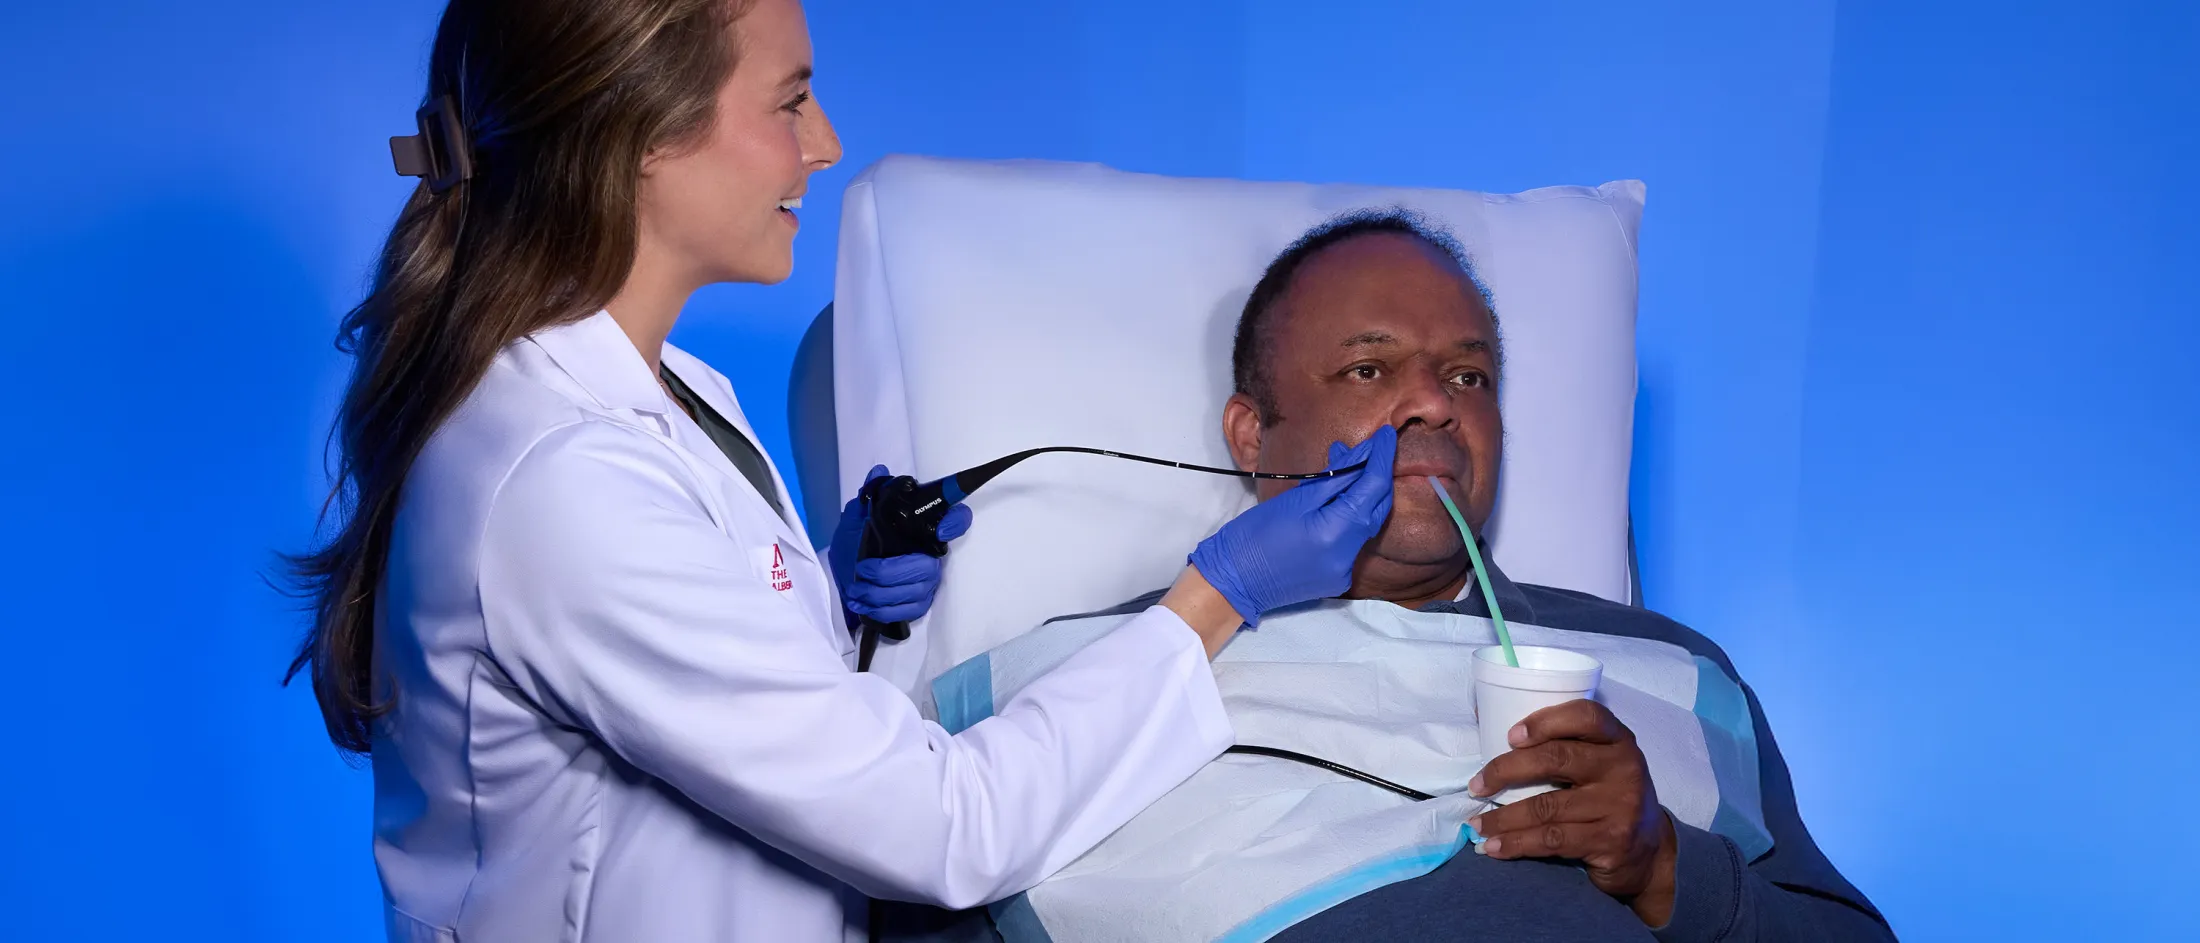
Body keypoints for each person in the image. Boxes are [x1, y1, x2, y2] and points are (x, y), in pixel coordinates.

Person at [280, 2, 1398, 940]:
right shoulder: (563, 477)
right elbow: (952, 831)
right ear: (641, 138)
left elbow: (683, 702)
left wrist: (816, 582)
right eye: (787, 101)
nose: (824, 141)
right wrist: (1218, 595)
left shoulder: (669, 391)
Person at [901, 210, 1894, 942]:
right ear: (1253, 438)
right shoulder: (1059, 690)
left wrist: (1665, 867)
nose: (1433, 402)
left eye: (1468, 376)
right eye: (1370, 370)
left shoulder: (1679, 679)